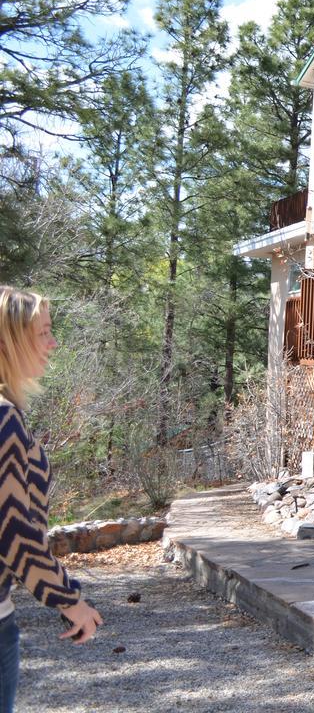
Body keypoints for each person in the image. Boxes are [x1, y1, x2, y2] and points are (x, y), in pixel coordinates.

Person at [0, 287, 102, 711]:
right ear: (9, 340)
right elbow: (13, 531)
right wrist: (69, 600)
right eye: (43, 332)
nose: (53, 343)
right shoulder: (2, 419)